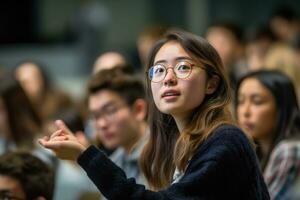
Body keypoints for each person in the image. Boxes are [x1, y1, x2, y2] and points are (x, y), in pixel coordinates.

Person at [39, 29, 270, 199]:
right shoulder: (173, 145)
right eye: (158, 70)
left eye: (183, 67)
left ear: (211, 83)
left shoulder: (226, 139)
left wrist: (85, 156)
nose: (168, 78)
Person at [235, 70, 300, 199]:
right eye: (240, 101)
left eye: (257, 101)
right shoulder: (254, 151)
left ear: (282, 108)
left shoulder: (289, 150)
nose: (245, 112)